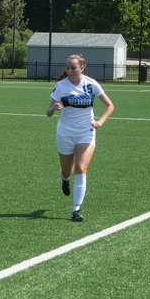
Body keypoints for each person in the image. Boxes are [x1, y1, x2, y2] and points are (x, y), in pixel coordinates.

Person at [46, 54, 114, 222]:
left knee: (81, 168)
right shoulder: (61, 86)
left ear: (82, 68)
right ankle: (64, 179)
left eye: (73, 68)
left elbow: (109, 105)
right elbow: (48, 113)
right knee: (66, 170)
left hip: (86, 132)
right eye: (67, 68)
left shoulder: (91, 84)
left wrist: (100, 122)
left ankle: (76, 209)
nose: (70, 71)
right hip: (65, 133)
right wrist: (53, 109)